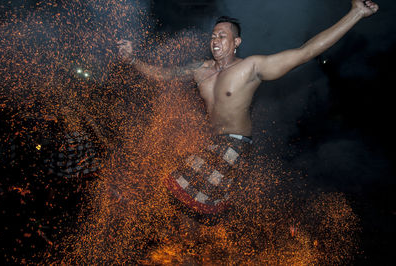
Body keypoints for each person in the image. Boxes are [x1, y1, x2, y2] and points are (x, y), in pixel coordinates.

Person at [117, 0, 378, 224]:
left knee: (201, 204)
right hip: (213, 143)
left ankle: (212, 234)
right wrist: (132, 60)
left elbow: (305, 52)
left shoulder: (251, 68)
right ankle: (202, 230)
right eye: (213, 36)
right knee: (176, 187)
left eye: (222, 36)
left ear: (236, 42)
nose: (215, 41)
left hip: (235, 144)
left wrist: (355, 13)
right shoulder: (200, 69)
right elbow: (164, 75)